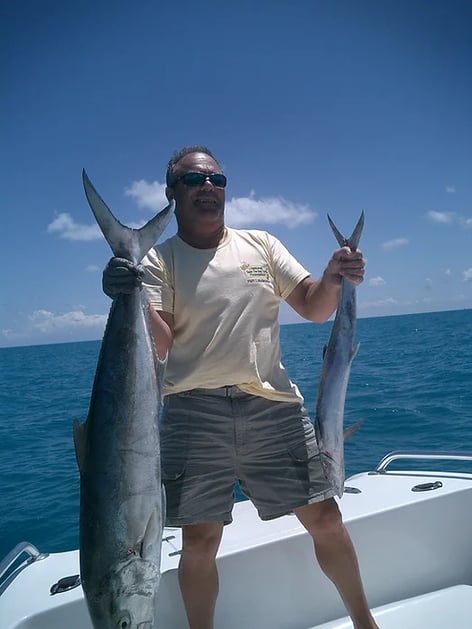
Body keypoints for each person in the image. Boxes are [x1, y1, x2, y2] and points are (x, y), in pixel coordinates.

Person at [103, 145, 379, 629]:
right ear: (172, 194)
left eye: (216, 180)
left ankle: (364, 623)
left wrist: (335, 277)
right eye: (192, 181)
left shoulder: (262, 245)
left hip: (271, 404)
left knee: (327, 520)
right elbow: (159, 345)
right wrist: (129, 294)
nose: (208, 188)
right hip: (193, 412)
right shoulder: (157, 260)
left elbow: (315, 308)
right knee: (200, 543)